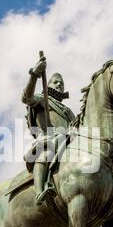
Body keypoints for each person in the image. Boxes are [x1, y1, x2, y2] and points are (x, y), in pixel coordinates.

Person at [22, 55, 75, 205]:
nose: (59, 85)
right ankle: (40, 191)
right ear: (49, 84)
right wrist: (34, 74)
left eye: (61, 83)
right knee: (47, 152)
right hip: (48, 139)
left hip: (69, 140)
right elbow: (26, 97)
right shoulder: (41, 98)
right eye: (55, 82)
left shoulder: (68, 111)